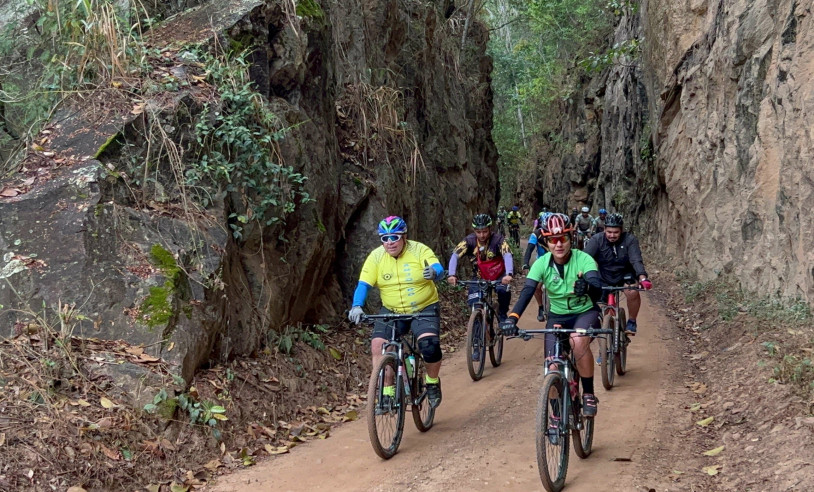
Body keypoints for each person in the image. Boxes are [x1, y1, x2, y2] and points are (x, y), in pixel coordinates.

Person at [500, 213, 606, 417]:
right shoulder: (542, 263)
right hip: (557, 317)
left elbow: (598, 288)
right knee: (552, 365)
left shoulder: (583, 259)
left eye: (563, 239)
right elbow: (527, 292)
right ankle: (556, 416)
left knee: (577, 340)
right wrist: (513, 317)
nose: (558, 245)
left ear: (570, 238)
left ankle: (589, 394)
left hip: (585, 312)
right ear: (546, 242)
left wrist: (588, 288)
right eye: (552, 240)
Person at [348, 216, 445, 408]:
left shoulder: (419, 250)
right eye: (385, 238)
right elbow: (363, 284)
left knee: (429, 345)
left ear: (404, 236)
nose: (390, 242)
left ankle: (432, 382)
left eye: (395, 236)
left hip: (423, 306)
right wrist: (356, 305)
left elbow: (437, 267)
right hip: (392, 309)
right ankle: (387, 391)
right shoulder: (376, 257)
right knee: (378, 346)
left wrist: (434, 273)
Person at [447, 214, 514, 361]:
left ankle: (502, 314)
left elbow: (507, 255)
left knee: (503, 290)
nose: (482, 235)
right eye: (478, 231)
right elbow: (455, 255)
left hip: (498, 275)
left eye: (485, 231)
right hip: (479, 277)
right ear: (474, 231)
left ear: (490, 229)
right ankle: (476, 344)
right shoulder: (469, 241)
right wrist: (452, 274)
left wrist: (508, 274)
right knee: (475, 305)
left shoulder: (498, 240)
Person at [582, 213, 652, 335]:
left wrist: (642, 277)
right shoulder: (597, 240)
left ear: (621, 230)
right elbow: (584, 259)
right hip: (604, 275)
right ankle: (603, 347)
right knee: (596, 302)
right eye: (609, 232)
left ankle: (632, 321)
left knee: (632, 291)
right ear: (604, 229)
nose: (612, 235)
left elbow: (636, 259)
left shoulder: (630, 240)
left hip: (625, 273)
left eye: (616, 232)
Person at [523, 211, 553, 322]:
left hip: (555, 261)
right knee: (536, 287)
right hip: (541, 261)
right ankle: (541, 307)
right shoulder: (536, 234)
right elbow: (529, 249)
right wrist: (526, 263)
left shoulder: (556, 233)